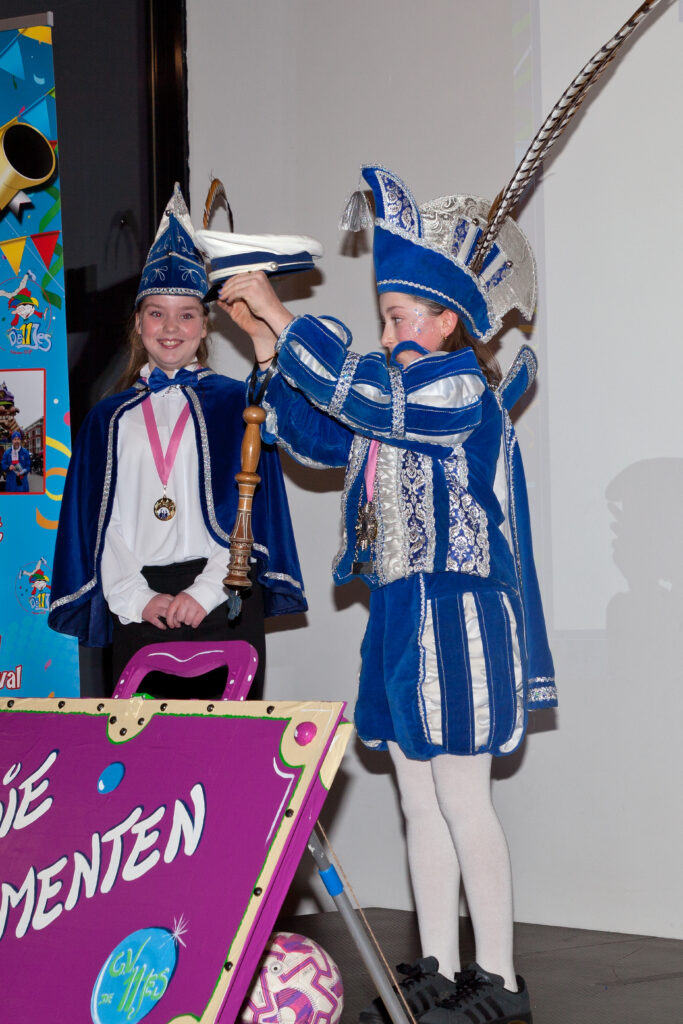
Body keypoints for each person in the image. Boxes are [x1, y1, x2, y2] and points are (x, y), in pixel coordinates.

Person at [218, 166, 556, 1024]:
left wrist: (284, 313)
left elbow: (368, 398)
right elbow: (320, 435)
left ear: (448, 322)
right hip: (402, 611)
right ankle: (438, 965)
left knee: (462, 798)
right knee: (416, 799)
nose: (387, 331)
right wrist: (265, 345)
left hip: (459, 609)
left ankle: (500, 980)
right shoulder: (394, 398)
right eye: (383, 317)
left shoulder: (457, 389)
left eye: (401, 316)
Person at [48, 185, 306, 696]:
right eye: (156, 313)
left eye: (187, 314)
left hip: (225, 599)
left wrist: (207, 590)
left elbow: (250, 509)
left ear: (205, 326)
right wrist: (137, 597)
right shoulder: (106, 419)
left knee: (223, 742)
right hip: (141, 608)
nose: (171, 327)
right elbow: (102, 525)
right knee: (142, 744)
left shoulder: (240, 405)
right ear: (138, 322)